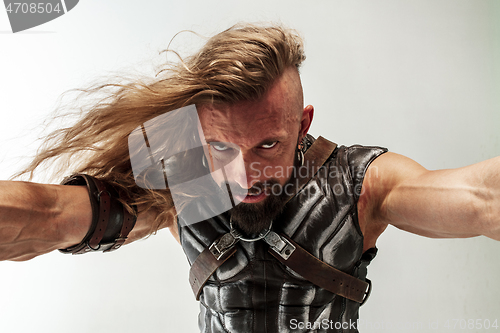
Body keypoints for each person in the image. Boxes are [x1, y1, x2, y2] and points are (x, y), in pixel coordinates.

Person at [1, 23, 499, 332]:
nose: (244, 175)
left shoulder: (357, 181)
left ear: (302, 123)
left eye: (267, 145)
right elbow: (46, 215)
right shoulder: (185, 181)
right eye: (221, 147)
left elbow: (480, 199)